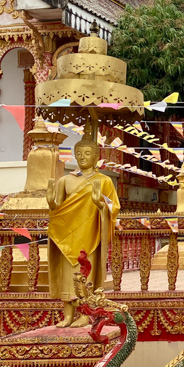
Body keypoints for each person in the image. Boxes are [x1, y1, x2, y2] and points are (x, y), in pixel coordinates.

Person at [47, 134, 120, 327]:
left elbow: (115, 208)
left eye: (87, 153)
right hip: (67, 234)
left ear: (96, 156)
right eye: (79, 153)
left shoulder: (104, 181)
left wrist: (100, 203)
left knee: (84, 274)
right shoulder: (65, 181)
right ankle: (68, 315)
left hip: (89, 234)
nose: (83, 157)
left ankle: (85, 314)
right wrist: (51, 203)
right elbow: (58, 210)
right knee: (67, 277)